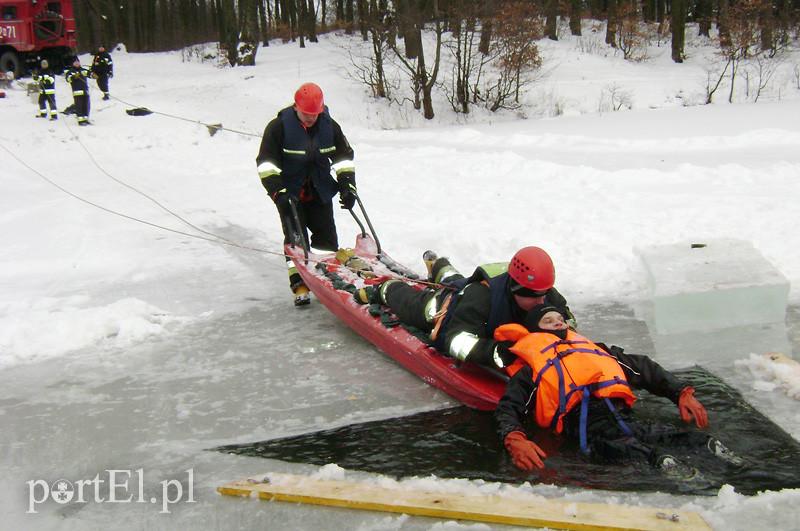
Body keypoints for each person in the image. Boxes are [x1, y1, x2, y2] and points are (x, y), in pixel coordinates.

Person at [494, 304, 741, 476]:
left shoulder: (596, 350)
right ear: (536, 331)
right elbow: (510, 406)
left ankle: (705, 445)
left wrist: (680, 393)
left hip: (620, 413)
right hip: (585, 423)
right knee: (613, 445)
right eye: (547, 320)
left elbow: (643, 368)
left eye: (559, 318)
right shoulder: (532, 370)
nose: (557, 321)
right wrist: (514, 437)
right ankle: (659, 461)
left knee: (657, 433)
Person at [355, 247, 575, 371]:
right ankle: (385, 288)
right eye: (533, 296)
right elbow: (455, 341)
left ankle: (439, 266)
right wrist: (498, 353)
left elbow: (568, 319)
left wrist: (564, 331)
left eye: (544, 294)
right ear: (515, 288)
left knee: (456, 280)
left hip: (467, 289)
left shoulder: (544, 293)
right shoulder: (481, 298)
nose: (541, 302)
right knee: (414, 304)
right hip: (445, 309)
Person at [255, 82, 357, 307]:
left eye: (314, 114)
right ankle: (300, 285)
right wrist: (277, 193)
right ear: (296, 107)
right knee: (296, 241)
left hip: (320, 191)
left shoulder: (330, 127)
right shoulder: (278, 128)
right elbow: (266, 165)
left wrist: (348, 186)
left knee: (327, 242)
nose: (310, 118)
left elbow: (344, 159)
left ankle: (329, 280)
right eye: (306, 114)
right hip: (290, 194)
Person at [65, 57, 91, 126]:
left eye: (78, 62)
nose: (77, 63)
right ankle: (80, 120)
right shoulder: (70, 72)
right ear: (73, 64)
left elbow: (89, 74)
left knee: (86, 106)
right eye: (75, 62)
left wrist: (93, 74)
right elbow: (68, 79)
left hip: (85, 91)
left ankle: (85, 119)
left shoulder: (83, 70)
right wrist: (73, 77)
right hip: (77, 92)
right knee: (79, 106)